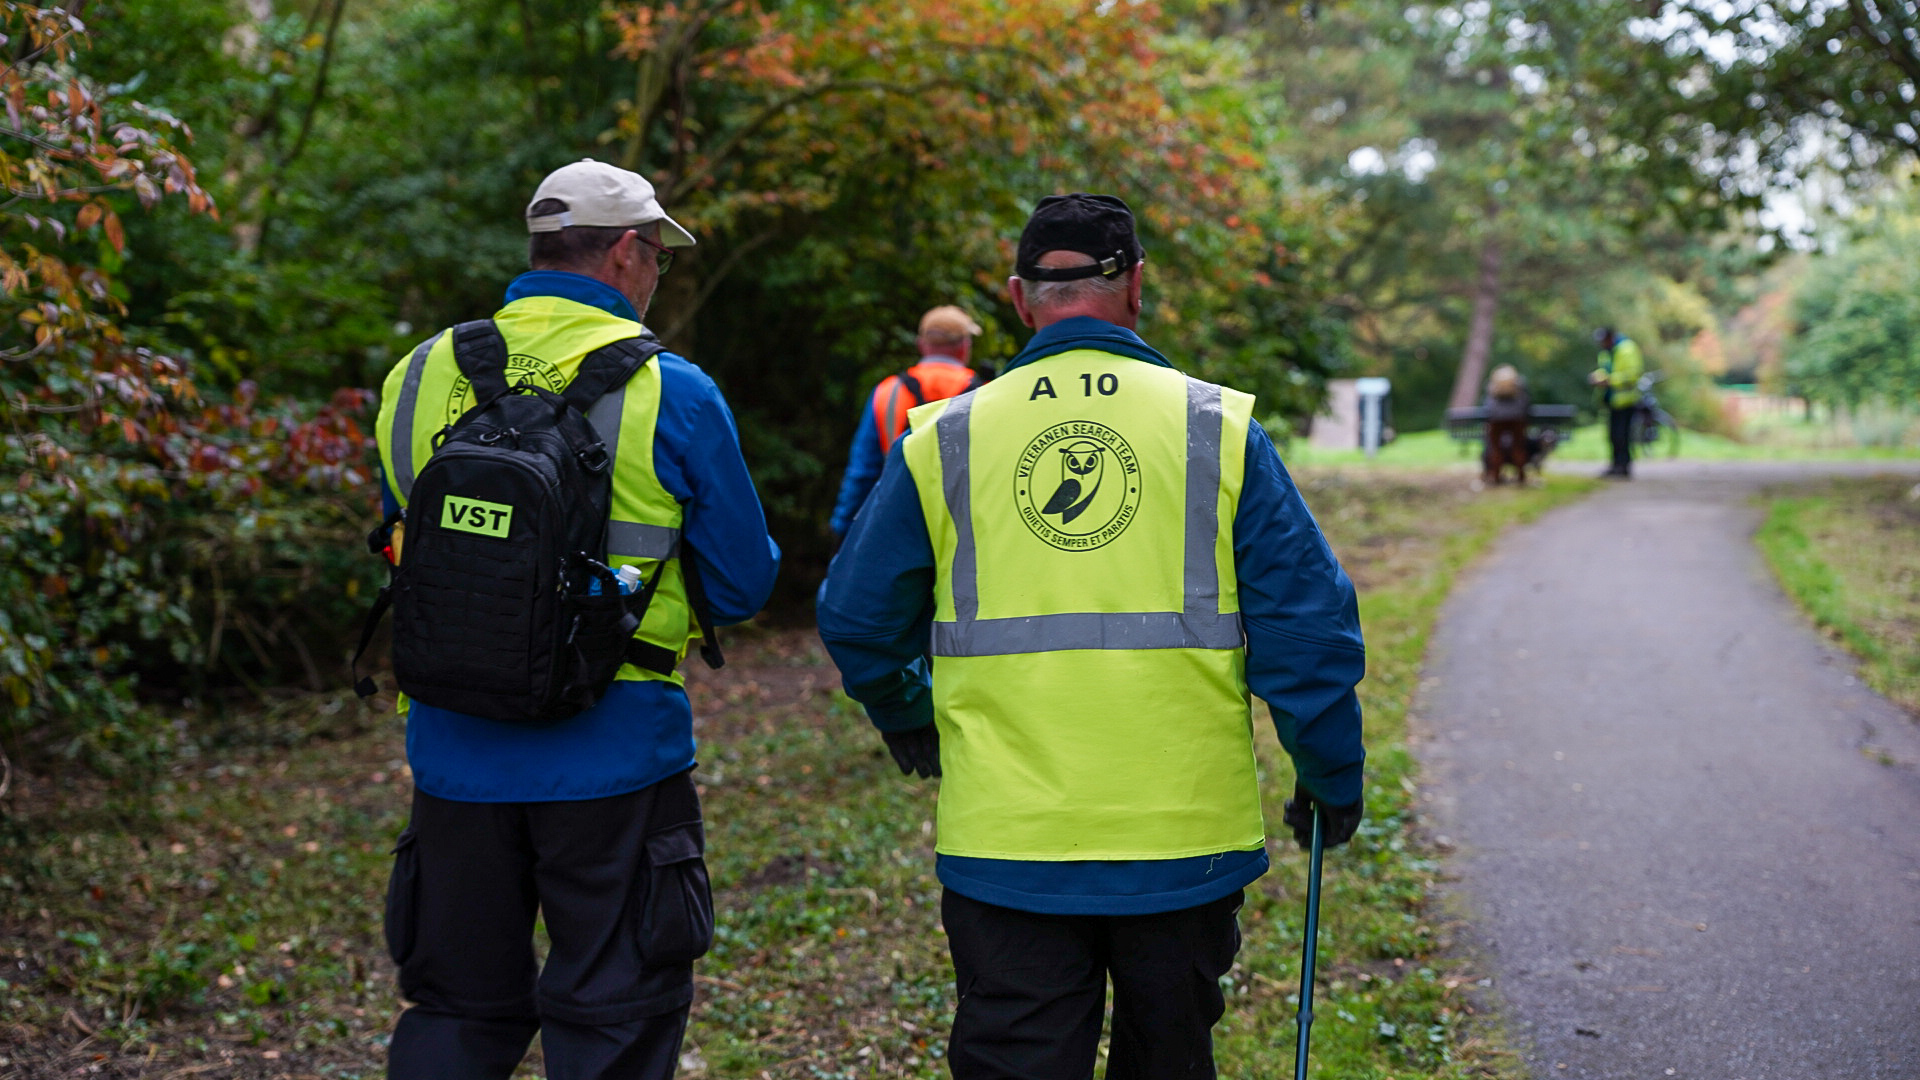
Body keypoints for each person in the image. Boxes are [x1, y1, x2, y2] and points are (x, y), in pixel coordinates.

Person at [816, 193, 1367, 1079]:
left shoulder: (948, 436)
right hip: (1181, 838)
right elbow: (1306, 631)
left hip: (1008, 839)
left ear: (1019, 297)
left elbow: (854, 615)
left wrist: (904, 709)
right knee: (1168, 1057)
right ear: (1137, 287)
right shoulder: (1214, 429)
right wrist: (1331, 773)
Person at [372, 158, 780, 1080]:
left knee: (456, 1010)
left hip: (451, 748)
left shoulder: (418, 371)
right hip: (615, 752)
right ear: (628, 254)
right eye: (659, 259)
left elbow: (412, 543)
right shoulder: (673, 388)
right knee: (615, 1013)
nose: (658, 278)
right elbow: (744, 585)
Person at [829, 306, 986, 539]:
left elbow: (862, 471)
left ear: (921, 344)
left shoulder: (888, 392)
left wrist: (842, 525)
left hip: (899, 521)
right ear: (964, 346)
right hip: (964, 523)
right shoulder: (986, 393)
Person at [1590, 326, 1643, 479]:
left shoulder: (1627, 349)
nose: (1602, 344)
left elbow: (1632, 375)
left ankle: (1623, 466)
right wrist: (1597, 377)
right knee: (1613, 434)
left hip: (1626, 401)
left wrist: (1610, 381)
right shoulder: (1606, 352)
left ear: (1610, 337)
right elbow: (1604, 370)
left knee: (1622, 434)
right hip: (1611, 400)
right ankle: (1615, 465)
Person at [1482, 364, 1531, 484]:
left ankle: (1496, 476)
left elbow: (1487, 404)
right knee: (1518, 447)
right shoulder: (1520, 383)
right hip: (1517, 418)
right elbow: (1527, 402)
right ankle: (1521, 476)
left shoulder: (1492, 385)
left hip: (1496, 419)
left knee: (1496, 448)